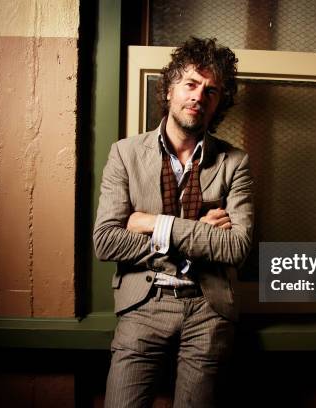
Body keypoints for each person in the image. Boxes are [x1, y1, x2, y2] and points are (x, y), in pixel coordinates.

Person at [93, 37, 254, 408]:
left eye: (212, 90)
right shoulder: (125, 153)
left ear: (219, 103)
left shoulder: (235, 162)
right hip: (144, 304)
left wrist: (153, 223)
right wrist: (200, 233)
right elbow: (105, 241)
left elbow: (238, 247)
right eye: (191, 84)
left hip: (208, 308)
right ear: (169, 90)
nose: (200, 96)